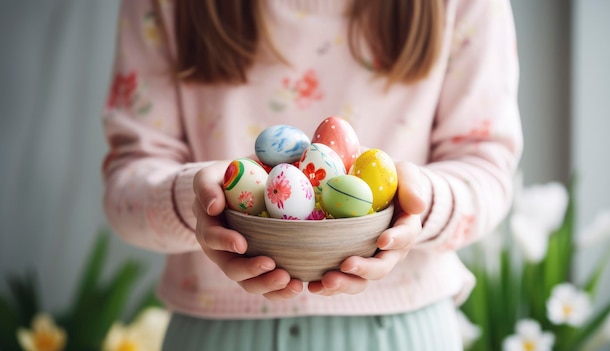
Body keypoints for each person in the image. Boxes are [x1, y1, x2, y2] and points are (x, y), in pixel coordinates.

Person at [102, 0, 522, 349]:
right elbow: (125, 186)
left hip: (403, 331)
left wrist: (420, 202)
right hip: (216, 332)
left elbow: (486, 167)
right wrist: (195, 202)